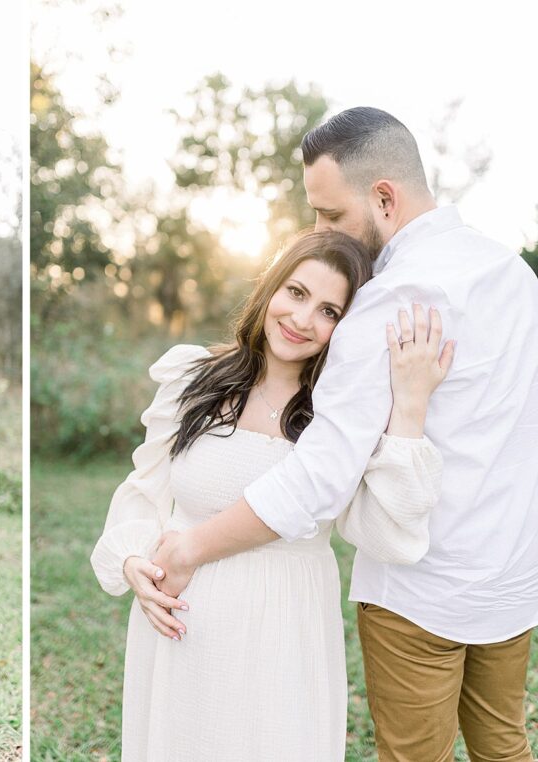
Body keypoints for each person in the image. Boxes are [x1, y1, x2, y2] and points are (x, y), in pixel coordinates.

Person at [152, 107, 538, 761]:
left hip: (419, 590)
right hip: (511, 577)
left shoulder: (392, 298)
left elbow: (318, 480)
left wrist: (190, 548)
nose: (319, 230)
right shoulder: (517, 280)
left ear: (384, 197)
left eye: (329, 215)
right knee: (505, 744)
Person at [91, 229, 453, 760]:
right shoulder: (192, 377)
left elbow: (388, 534)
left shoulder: (339, 419)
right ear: (269, 288)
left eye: (330, 311)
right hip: (184, 623)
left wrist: (410, 405)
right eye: (297, 293)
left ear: (346, 329)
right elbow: (142, 489)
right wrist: (131, 562)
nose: (304, 320)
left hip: (288, 628)